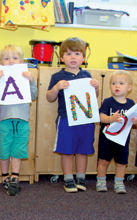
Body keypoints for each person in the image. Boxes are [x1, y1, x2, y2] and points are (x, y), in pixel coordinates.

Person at [46, 37, 99, 193]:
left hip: (85, 120)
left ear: (83, 57)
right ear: (62, 58)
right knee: (67, 150)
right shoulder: (57, 76)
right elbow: (50, 97)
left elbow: (92, 98)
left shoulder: (87, 75)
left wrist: (95, 88)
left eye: (77, 53)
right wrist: (56, 87)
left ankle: (81, 177)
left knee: (83, 150)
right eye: (68, 54)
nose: (73, 57)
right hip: (66, 119)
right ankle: (68, 178)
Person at [0, 44, 38, 196]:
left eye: (15, 58)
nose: (11, 61)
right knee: (4, 150)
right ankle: (5, 176)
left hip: (22, 121)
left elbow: (34, 95)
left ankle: (15, 177)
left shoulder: (25, 76)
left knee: (18, 150)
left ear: (22, 61)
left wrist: (31, 81)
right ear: (1, 62)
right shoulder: (0, 76)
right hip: (4, 121)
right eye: (7, 58)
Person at [96, 70, 137, 193]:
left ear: (129, 88)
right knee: (103, 161)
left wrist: (136, 122)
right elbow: (101, 117)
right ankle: (101, 181)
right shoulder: (108, 101)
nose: (117, 86)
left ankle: (119, 183)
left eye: (121, 83)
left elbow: (133, 120)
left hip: (122, 140)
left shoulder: (131, 103)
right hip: (107, 139)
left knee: (121, 162)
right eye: (113, 83)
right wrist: (111, 119)